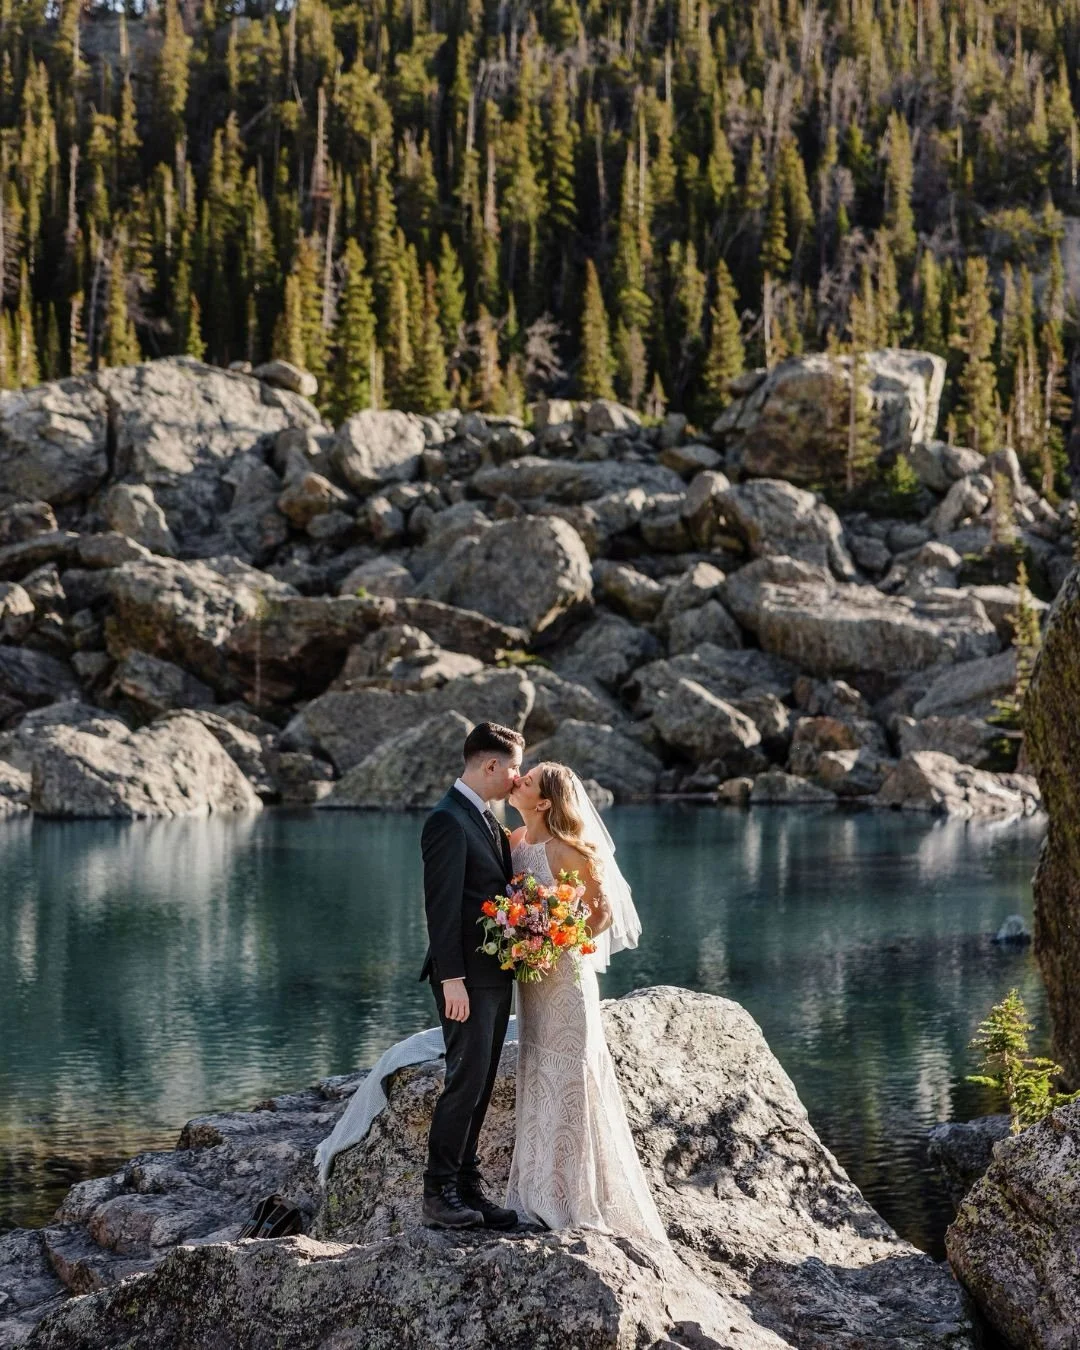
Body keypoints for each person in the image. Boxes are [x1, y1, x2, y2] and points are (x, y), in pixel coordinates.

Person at [503, 762, 667, 1244]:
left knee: (571, 1076)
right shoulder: (514, 843)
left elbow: (602, 914)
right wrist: (520, 936)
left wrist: (557, 939)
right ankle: (536, 1190)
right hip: (531, 982)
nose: (519, 782)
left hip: (566, 982)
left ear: (546, 802)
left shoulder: (570, 851)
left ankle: (575, 1198)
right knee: (538, 1071)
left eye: (527, 781)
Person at [418, 720, 523, 1230]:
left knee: (481, 1081)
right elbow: (440, 910)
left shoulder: (483, 818)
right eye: (514, 769)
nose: (516, 779)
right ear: (490, 765)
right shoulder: (447, 820)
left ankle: (467, 1185)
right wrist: (450, 980)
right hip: (466, 980)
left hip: (494, 973)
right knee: (464, 1081)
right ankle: (437, 1195)